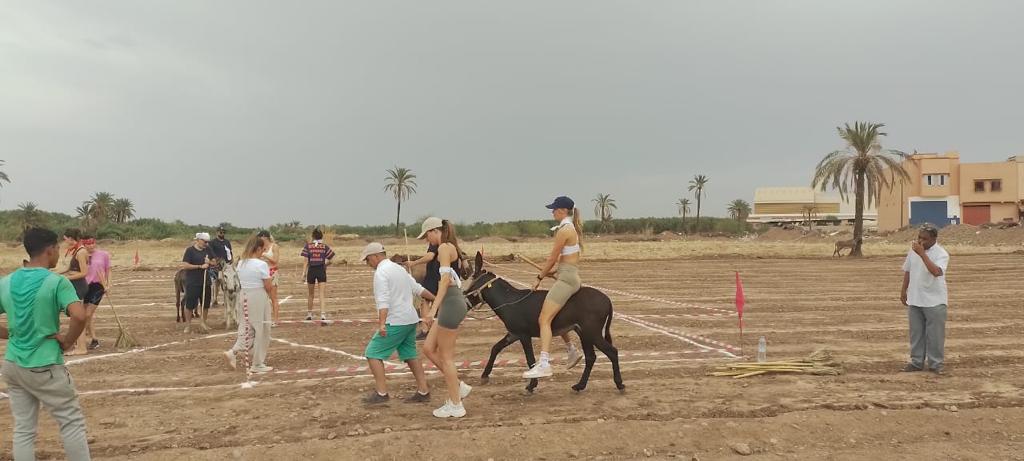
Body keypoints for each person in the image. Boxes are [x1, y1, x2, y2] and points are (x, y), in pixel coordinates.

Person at [0, 227, 91, 460]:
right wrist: (68, 341)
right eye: (58, 249)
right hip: (45, 365)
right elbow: (80, 316)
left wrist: (11, 333)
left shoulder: (7, 281)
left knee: (23, 429)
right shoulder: (56, 282)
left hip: (13, 364)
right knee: (71, 423)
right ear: (50, 250)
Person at [360, 242, 436, 404]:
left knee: (372, 353)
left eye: (367, 260)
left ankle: (381, 393)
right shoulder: (399, 269)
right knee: (409, 355)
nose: (368, 264)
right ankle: (423, 391)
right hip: (410, 320)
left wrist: (381, 324)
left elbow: (383, 300)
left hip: (396, 321)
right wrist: (437, 299)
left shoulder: (381, 273)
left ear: (375, 256)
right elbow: (418, 289)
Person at [524, 196, 585, 379]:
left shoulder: (563, 230)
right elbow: (566, 260)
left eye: (554, 209)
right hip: (568, 275)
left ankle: (544, 364)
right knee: (554, 315)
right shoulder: (570, 228)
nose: (552, 212)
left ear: (563, 211)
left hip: (566, 279)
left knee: (543, 319)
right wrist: (556, 272)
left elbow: (551, 259)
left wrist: (539, 277)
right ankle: (571, 350)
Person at [417, 218, 473, 418]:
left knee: (446, 358)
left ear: (434, 231)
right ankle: (458, 387)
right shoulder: (450, 247)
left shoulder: (443, 249)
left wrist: (433, 311)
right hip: (450, 303)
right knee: (428, 349)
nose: (427, 240)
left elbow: (444, 282)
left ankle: (456, 404)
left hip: (450, 304)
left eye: (427, 236)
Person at [900, 224, 950, 375]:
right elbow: (908, 270)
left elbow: (936, 272)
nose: (921, 241)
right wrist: (903, 290)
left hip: (934, 300)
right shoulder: (913, 251)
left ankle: (936, 364)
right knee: (916, 333)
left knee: (935, 335)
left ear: (934, 239)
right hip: (915, 298)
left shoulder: (941, 254)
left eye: (925, 239)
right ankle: (916, 362)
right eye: (919, 238)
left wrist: (922, 254)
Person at [224, 235, 274, 374]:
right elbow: (268, 286)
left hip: (244, 295)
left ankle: (233, 352)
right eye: (262, 250)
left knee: (246, 328)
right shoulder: (261, 264)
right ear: (257, 248)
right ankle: (257, 363)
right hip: (258, 296)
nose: (263, 252)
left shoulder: (241, 263)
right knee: (262, 329)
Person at [76, 235, 111, 354]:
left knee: (88, 313)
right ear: (83, 245)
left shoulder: (103, 254)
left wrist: (108, 285)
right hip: (86, 286)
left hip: (98, 286)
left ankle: (80, 336)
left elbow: (108, 270)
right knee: (86, 315)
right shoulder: (82, 255)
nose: (90, 246)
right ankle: (94, 339)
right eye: (87, 244)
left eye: (92, 243)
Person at [180, 232, 215, 333]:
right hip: (192, 281)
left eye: (207, 242)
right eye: (204, 241)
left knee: (205, 304)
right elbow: (185, 265)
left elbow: (214, 262)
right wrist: (200, 266)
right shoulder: (190, 251)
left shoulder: (208, 249)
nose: (206, 244)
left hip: (205, 281)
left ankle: (203, 323)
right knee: (190, 304)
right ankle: (188, 325)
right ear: (198, 240)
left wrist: (209, 262)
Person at [404, 239, 440, 341]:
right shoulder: (446, 243)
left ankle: (426, 330)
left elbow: (430, 256)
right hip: (440, 276)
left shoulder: (435, 243)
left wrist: (414, 263)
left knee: (424, 301)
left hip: (434, 277)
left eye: (428, 234)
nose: (428, 238)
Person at [300, 228, 335, 322]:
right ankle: (323, 315)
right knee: (321, 294)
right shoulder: (324, 246)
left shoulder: (308, 246)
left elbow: (305, 261)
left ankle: (309, 314)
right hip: (321, 270)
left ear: (313, 236)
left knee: (311, 294)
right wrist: (325, 264)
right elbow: (331, 260)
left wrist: (303, 274)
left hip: (311, 270)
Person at [257, 230, 281, 326]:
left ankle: (275, 320)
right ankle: (264, 319)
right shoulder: (260, 247)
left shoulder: (274, 246)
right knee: (262, 297)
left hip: (272, 272)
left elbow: (275, 260)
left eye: (259, 237)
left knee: (273, 297)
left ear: (264, 237)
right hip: (262, 273)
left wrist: (265, 255)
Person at [61, 228, 89, 304]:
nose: (65, 241)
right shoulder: (75, 250)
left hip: (79, 285)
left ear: (70, 239)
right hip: (73, 283)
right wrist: (55, 273)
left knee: (76, 313)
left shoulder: (81, 252)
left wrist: (66, 278)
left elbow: (84, 273)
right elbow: (68, 268)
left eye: (65, 239)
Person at [209, 227, 234, 306]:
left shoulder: (227, 242)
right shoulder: (212, 242)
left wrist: (231, 260)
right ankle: (215, 299)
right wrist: (215, 261)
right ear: (217, 232)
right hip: (217, 265)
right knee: (216, 283)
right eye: (220, 232)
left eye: (223, 232)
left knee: (226, 283)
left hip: (226, 265)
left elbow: (230, 252)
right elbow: (211, 252)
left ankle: (225, 300)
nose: (222, 234)